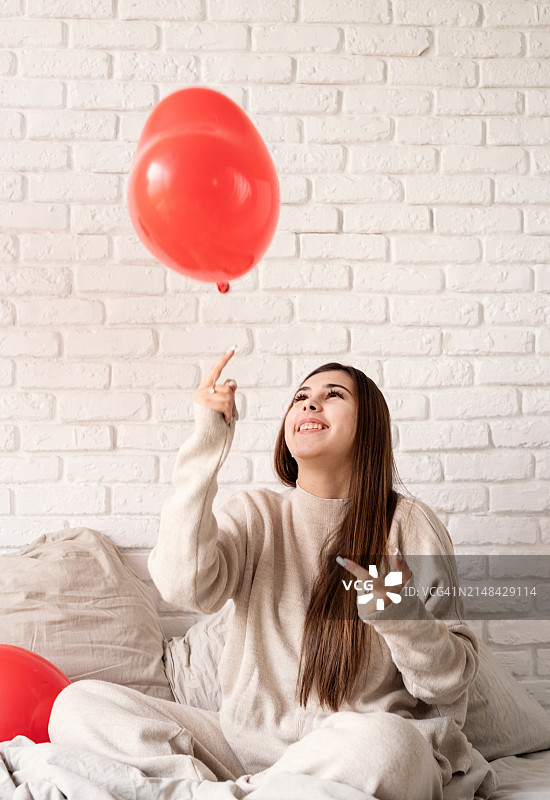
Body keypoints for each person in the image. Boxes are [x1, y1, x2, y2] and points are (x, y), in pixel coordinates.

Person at [49, 348, 485, 800]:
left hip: (348, 754)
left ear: (370, 427)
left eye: (333, 395)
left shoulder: (411, 525)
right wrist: (207, 444)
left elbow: (448, 683)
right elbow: (183, 584)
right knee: (77, 706)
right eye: (301, 397)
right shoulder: (257, 514)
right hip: (241, 752)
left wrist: (404, 618)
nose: (310, 404)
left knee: (391, 748)